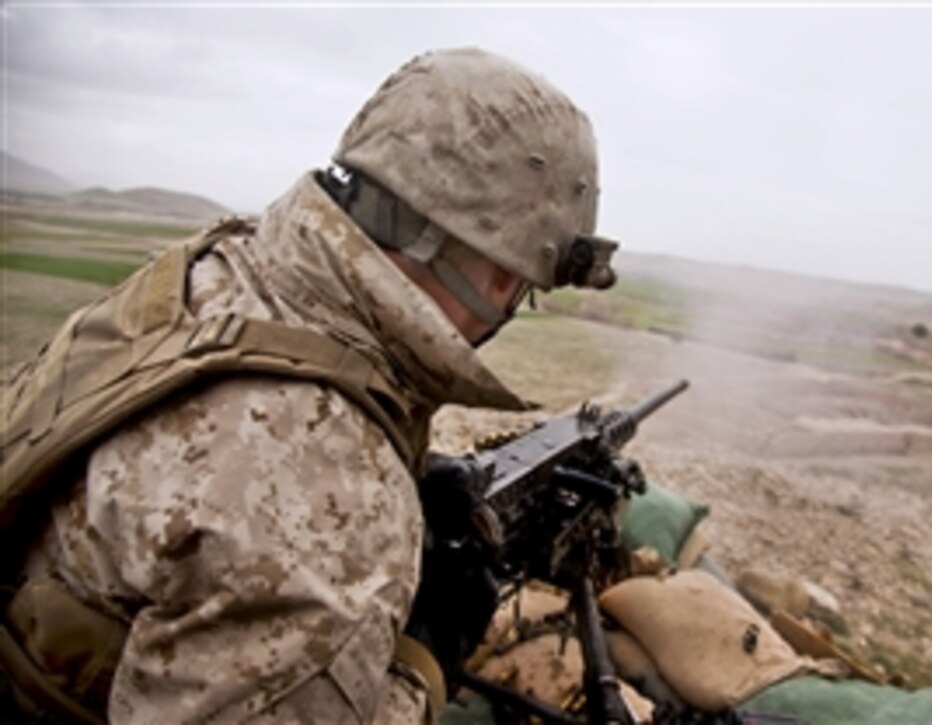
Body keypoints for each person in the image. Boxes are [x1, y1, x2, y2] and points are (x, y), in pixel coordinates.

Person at [0, 47, 617, 723]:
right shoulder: (332, 493)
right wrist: (423, 655)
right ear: (504, 274)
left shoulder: (214, 271)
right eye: (524, 288)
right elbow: (283, 499)